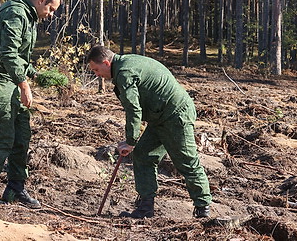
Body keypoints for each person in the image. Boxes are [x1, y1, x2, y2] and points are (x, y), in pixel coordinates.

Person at [87, 46, 212, 218]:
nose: (96, 74)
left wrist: (130, 140)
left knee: (186, 161)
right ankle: (145, 208)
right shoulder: (124, 64)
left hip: (176, 115)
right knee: (143, 154)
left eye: (96, 69)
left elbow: (133, 108)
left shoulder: (124, 72)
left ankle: (203, 209)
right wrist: (133, 142)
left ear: (106, 63)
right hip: (159, 117)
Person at [0, 0, 63, 207]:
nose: (50, 15)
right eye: (51, 9)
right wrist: (24, 85)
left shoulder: (29, 17)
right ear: (41, 0)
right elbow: (8, 53)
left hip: (11, 83)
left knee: (21, 138)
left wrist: (35, 74)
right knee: (2, 137)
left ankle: (15, 188)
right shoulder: (16, 13)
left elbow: (20, 58)